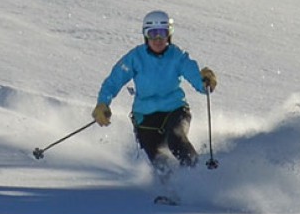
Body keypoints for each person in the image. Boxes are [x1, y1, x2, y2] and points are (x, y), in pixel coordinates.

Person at [92, 9, 217, 167]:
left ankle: (197, 175)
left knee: (176, 139)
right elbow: (113, 81)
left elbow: (194, 75)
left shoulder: (177, 56)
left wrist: (204, 81)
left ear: (169, 35)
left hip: (175, 110)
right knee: (159, 159)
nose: (158, 39)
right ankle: (171, 189)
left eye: (162, 33)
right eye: (153, 34)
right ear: (145, 35)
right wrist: (103, 103)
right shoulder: (135, 58)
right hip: (145, 118)